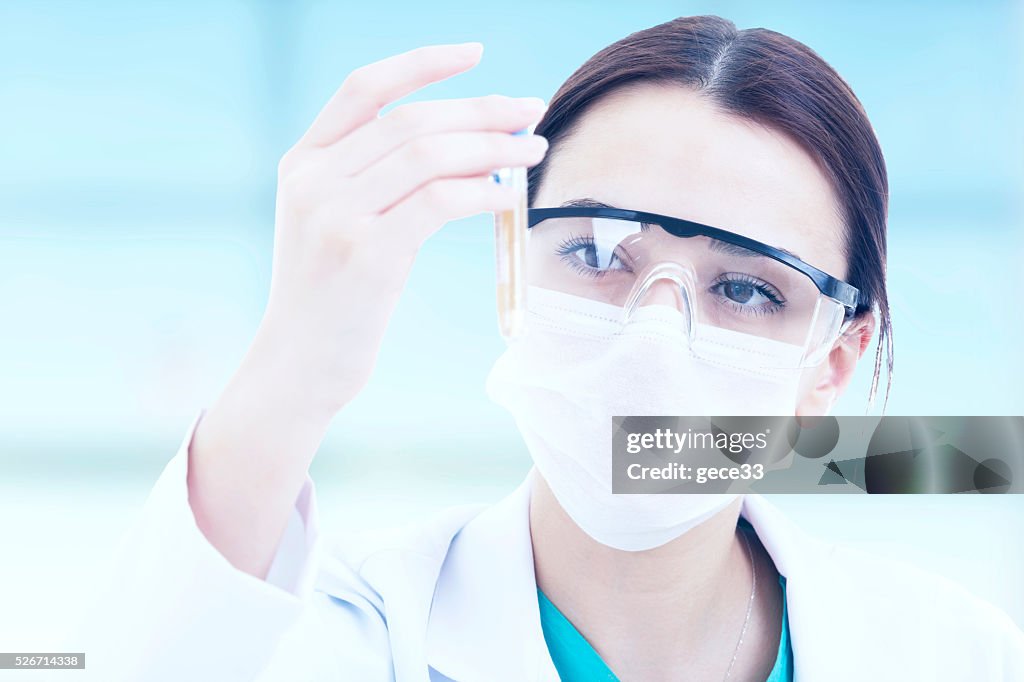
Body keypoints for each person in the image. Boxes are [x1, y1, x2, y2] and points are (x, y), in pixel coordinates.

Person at [73, 15, 1024, 682]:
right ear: (511, 271)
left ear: (832, 361)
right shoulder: (353, 637)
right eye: (596, 252)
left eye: (746, 288)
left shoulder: (958, 656)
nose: (655, 338)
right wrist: (294, 369)